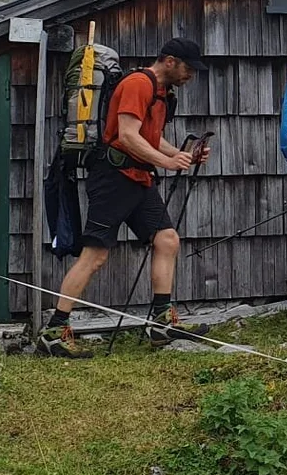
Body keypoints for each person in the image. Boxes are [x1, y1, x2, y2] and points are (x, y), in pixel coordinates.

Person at [40, 38, 210, 355]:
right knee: (95, 255)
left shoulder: (162, 94)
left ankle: (162, 323)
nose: (191, 76)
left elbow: (151, 139)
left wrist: (184, 156)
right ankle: (55, 332)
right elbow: (128, 136)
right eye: (189, 68)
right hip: (113, 177)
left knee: (167, 240)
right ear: (170, 61)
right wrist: (169, 163)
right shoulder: (138, 84)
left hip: (138, 178)